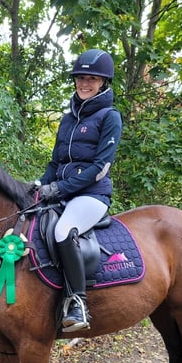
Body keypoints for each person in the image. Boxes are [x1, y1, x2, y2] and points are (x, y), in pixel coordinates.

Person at [32, 49, 122, 332]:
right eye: (81, 78)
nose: (85, 83)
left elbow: (99, 167)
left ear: (103, 83)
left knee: (62, 230)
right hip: (63, 192)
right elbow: (56, 161)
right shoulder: (67, 119)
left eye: (92, 79)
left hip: (92, 195)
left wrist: (59, 188)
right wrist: (39, 186)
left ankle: (77, 302)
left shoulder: (110, 117)